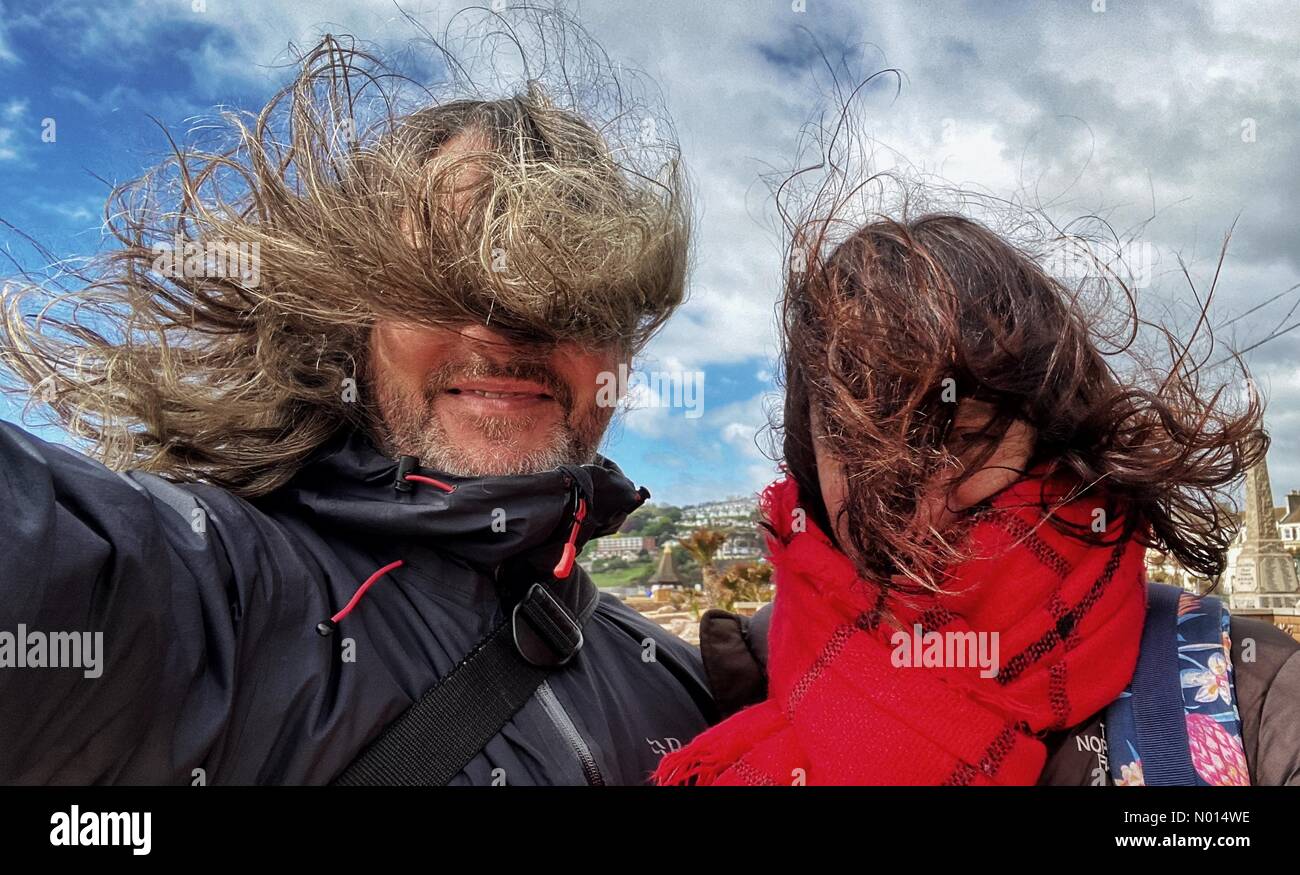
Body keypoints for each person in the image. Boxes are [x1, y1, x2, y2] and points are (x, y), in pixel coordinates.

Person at [0, 35, 713, 785]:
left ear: (622, 353)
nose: (503, 332)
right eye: (441, 279)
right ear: (356, 326)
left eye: (573, 298)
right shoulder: (226, 598)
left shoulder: (683, 682)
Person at [658, 213, 1300, 786]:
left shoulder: (1256, 694)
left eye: (965, 441)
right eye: (859, 454)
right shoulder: (730, 670)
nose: (919, 510)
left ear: (1049, 437)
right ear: (810, 456)